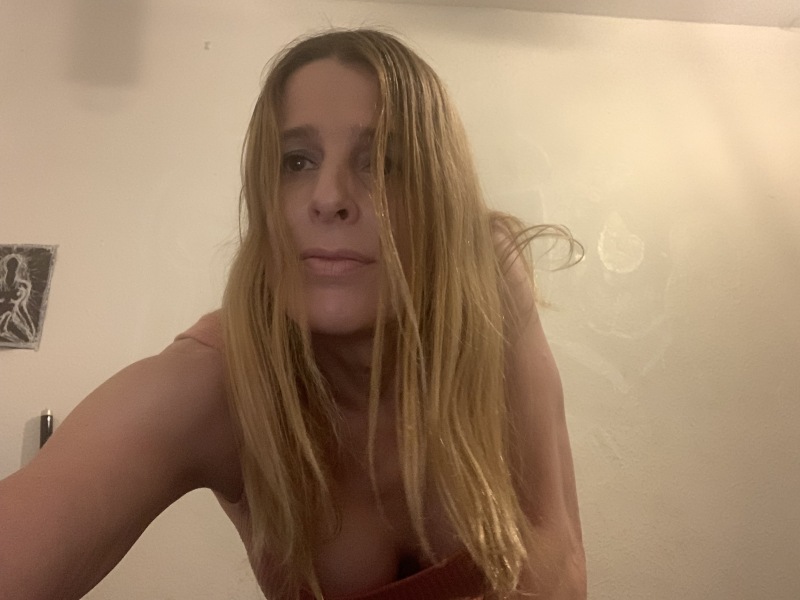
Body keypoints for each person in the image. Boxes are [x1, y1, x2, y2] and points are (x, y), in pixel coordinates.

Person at [0, 28, 586, 600]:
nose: (329, 197)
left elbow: (558, 554)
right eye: (297, 161)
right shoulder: (217, 382)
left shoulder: (487, 283)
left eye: (383, 162)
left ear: (438, 192)